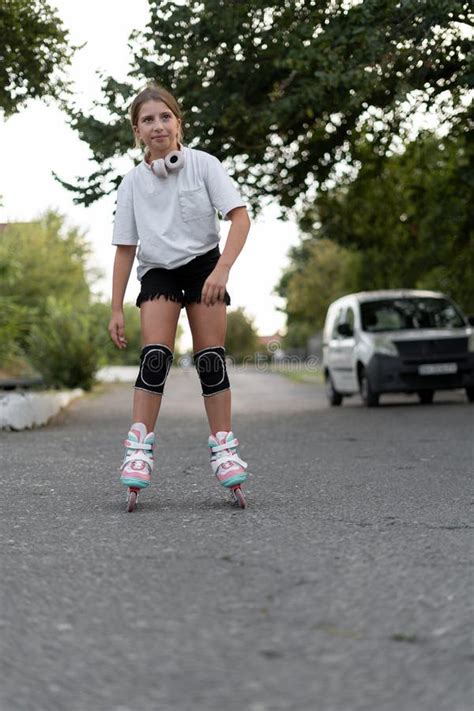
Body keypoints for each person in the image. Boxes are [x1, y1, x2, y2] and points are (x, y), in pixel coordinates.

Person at [108, 84, 251, 501]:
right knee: (155, 358)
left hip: (205, 265)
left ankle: (224, 448)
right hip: (158, 271)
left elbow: (240, 219)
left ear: (178, 122)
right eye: (148, 120)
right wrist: (115, 307)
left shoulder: (204, 165)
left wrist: (222, 269)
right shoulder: (132, 183)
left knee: (210, 361)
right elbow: (125, 250)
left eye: (164, 117)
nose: (158, 126)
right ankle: (138, 450)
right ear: (137, 131)